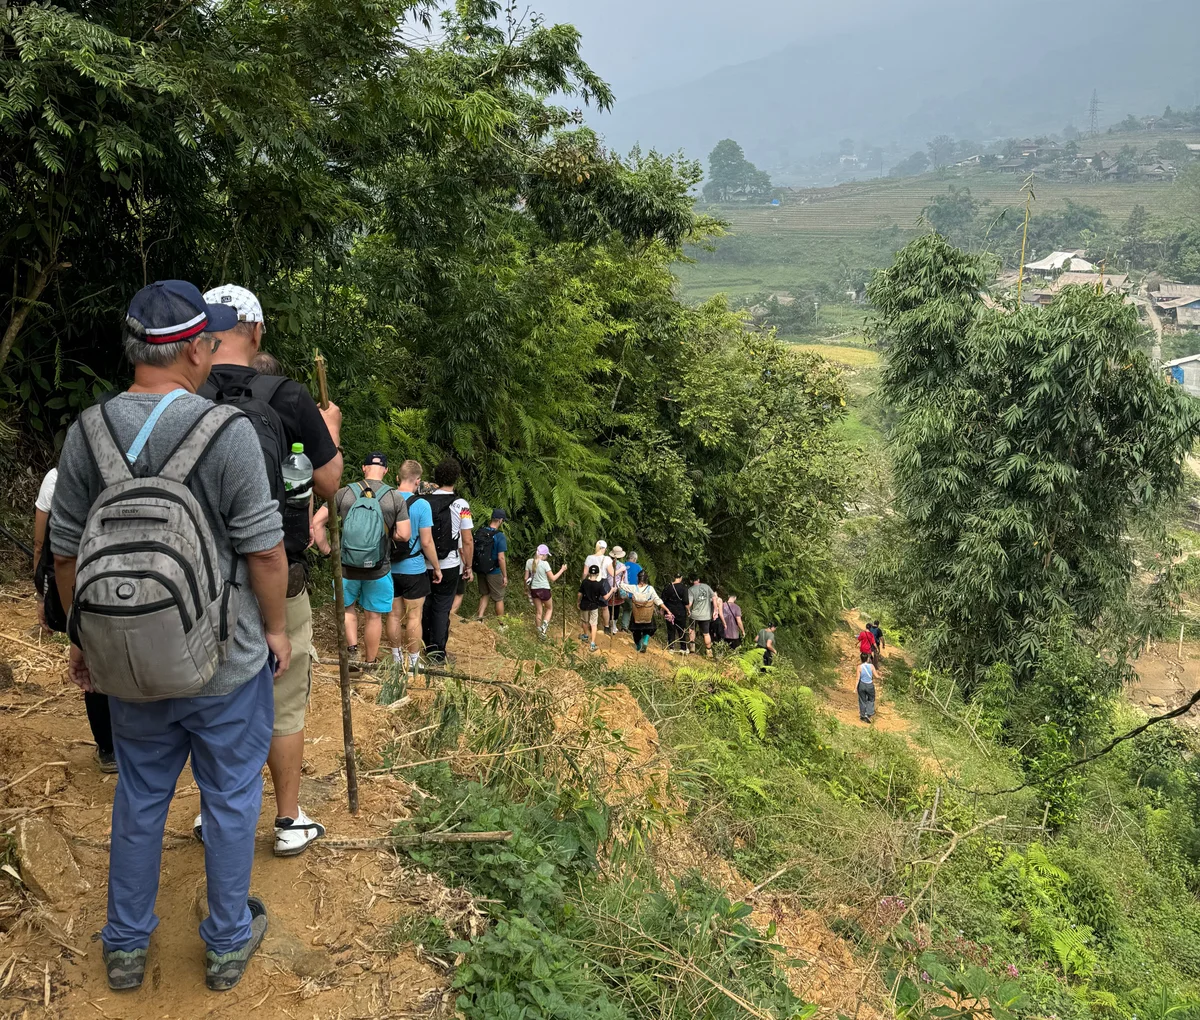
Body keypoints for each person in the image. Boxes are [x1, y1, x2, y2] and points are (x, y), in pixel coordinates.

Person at [52, 280, 289, 992]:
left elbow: (65, 551)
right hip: (225, 659)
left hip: (130, 662)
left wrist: (86, 642)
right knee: (229, 798)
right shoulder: (229, 433)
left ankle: (124, 946)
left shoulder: (87, 431)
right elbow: (266, 553)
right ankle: (224, 944)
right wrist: (275, 629)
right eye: (210, 343)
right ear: (195, 348)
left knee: (140, 798)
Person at [200, 283, 342, 859]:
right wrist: (328, 431)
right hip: (280, 572)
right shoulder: (287, 395)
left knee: (210, 698)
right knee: (283, 700)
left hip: (199, 579)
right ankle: (287, 819)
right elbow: (330, 484)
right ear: (257, 332)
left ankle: (216, 817)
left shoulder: (182, 389)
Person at [34, 468, 116, 772]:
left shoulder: (57, 478)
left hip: (83, 586)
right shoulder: (141, 466)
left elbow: (47, 548)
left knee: (92, 659)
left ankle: (108, 747)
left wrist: (44, 595)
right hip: (133, 584)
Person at [312, 453, 411, 665]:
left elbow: (317, 523)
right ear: (385, 470)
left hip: (347, 566)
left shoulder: (344, 493)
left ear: (364, 468)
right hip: (379, 568)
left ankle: (352, 651)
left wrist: (329, 551)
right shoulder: (394, 498)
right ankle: (370, 661)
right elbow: (404, 534)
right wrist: (386, 534)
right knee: (373, 616)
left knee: (348, 610)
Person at [390, 461, 441, 672]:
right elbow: (427, 542)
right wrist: (437, 568)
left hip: (388, 567)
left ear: (397, 477)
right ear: (418, 481)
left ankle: (394, 658)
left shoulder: (386, 498)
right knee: (413, 616)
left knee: (392, 615)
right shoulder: (422, 505)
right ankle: (412, 661)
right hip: (414, 568)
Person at [421, 458, 473, 664]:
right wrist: (468, 565)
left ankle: (424, 648)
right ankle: (438, 653)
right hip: (450, 564)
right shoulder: (462, 505)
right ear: (456, 479)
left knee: (425, 605)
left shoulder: (422, 500)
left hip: (424, 563)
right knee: (442, 607)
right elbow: (467, 539)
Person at [619, 571, 674, 653]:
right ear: (646, 579)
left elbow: (622, 586)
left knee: (636, 632)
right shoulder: (650, 589)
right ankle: (645, 640)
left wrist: (622, 579)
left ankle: (638, 647)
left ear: (638, 578)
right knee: (650, 628)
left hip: (636, 614)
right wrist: (667, 610)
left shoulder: (634, 588)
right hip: (647, 614)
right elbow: (657, 600)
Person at [474, 509, 509, 620]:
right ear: (500, 520)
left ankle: (479, 619)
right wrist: (504, 575)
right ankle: (501, 623)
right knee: (498, 598)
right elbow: (501, 558)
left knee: (485, 594)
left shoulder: (481, 531)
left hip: (480, 568)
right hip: (494, 571)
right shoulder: (499, 536)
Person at [527, 544, 568, 637]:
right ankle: (543, 630)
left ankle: (538, 631)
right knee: (549, 609)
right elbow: (553, 578)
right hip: (544, 590)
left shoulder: (529, 562)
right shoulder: (545, 564)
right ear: (544, 555)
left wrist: (526, 589)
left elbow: (526, 577)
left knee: (538, 611)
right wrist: (562, 569)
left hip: (534, 589)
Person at [582, 540, 615, 633]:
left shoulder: (589, 558)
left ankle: (591, 626)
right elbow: (612, 573)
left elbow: (585, 572)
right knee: (604, 606)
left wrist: (583, 583)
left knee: (590, 604)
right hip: (602, 582)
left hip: (590, 581)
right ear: (604, 548)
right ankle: (606, 627)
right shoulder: (607, 559)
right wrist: (621, 569)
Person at [577, 564, 608, 652]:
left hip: (584, 604)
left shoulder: (584, 582)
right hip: (594, 606)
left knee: (584, 621)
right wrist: (612, 591)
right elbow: (605, 597)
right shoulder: (599, 585)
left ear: (589, 573)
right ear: (598, 574)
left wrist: (578, 602)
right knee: (593, 624)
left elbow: (579, 594)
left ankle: (586, 635)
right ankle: (592, 644)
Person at [687, 575, 716, 657]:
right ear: (698, 579)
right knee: (706, 634)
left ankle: (692, 649)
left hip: (694, 615)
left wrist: (688, 610)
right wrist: (715, 610)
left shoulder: (691, 590)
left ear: (690, 581)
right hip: (706, 615)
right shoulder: (706, 587)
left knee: (692, 630)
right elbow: (714, 597)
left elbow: (690, 603)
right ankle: (709, 652)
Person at [662, 572, 690, 654]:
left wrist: (662, 609)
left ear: (673, 577)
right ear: (680, 578)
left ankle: (671, 647)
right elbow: (685, 601)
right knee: (681, 629)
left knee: (670, 629)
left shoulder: (668, 586)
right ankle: (683, 648)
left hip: (669, 610)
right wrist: (688, 610)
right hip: (680, 611)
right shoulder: (684, 588)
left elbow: (663, 599)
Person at [620, 552, 643, 630]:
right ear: (634, 559)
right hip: (631, 593)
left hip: (620, 591)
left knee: (616, 607)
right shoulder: (638, 568)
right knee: (628, 609)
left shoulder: (622, 565)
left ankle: (612, 625)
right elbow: (642, 581)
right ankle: (625, 627)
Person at [608, 546, 628, 634]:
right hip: (617, 589)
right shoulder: (622, 566)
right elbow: (625, 580)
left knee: (608, 607)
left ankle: (609, 624)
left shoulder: (607, 564)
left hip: (608, 589)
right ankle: (614, 625)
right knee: (616, 607)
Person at [857, 653, 876, 723]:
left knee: (862, 700)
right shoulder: (871, 666)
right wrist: (880, 676)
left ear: (861, 659)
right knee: (871, 699)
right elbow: (876, 675)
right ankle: (869, 713)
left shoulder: (859, 667)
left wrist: (855, 687)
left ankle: (863, 715)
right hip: (869, 685)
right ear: (868, 659)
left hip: (861, 685)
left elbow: (857, 678)